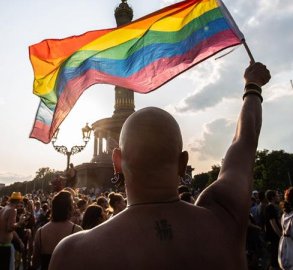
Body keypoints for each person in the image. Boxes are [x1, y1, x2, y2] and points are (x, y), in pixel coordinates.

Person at [48, 62, 271, 270]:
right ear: (183, 163)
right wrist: (252, 86)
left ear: (117, 163)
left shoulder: (74, 253)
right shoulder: (224, 216)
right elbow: (245, 140)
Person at [31, 191, 82, 270]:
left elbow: (35, 263)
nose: (74, 207)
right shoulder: (76, 230)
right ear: (68, 208)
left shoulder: (41, 232)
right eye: (72, 204)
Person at [0, 192, 26, 270]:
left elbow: (3, 227)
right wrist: (20, 222)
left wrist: (19, 241)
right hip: (4, 246)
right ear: (18, 201)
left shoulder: (2, 210)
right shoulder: (13, 210)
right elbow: (10, 228)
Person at [265, 189, 281, 270]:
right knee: (274, 261)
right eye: (277, 196)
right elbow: (273, 223)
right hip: (274, 237)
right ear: (272, 197)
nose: (279, 197)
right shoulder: (270, 208)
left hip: (276, 237)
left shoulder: (275, 207)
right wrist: (281, 235)